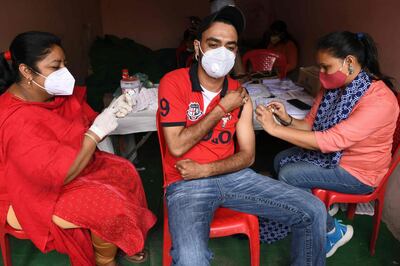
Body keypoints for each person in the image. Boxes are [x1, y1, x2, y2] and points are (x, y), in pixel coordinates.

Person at [158, 6, 327, 266]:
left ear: (236, 51)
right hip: (186, 185)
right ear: (197, 46)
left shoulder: (241, 92)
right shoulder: (174, 82)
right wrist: (222, 108)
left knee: (313, 210)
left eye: (230, 46)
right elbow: (177, 146)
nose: (222, 53)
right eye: (214, 44)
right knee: (191, 258)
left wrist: (205, 170)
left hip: (233, 178)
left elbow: (247, 156)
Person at [0, 31, 157, 266]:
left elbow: (79, 121)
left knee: (124, 169)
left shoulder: (49, 94)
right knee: (109, 206)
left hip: (65, 165)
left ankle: (123, 237)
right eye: (55, 66)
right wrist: (95, 133)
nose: (64, 72)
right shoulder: (15, 119)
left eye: (65, 64)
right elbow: (57, 175)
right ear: (25, 70)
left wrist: (112, 111)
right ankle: (105, 259)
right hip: (30, 191)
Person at [256, 31, 399, 258]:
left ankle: (330, 229)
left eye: (326, 67)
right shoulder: (334, 87)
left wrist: (274, 129)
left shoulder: (379, 100)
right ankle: (313, 210)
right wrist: (287, 119)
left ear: (349, 62)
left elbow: (330, 141)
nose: (321, 74)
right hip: (334, 157)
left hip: (359, 172)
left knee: (290, 174)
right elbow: (311, 125)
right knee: (279, 159)